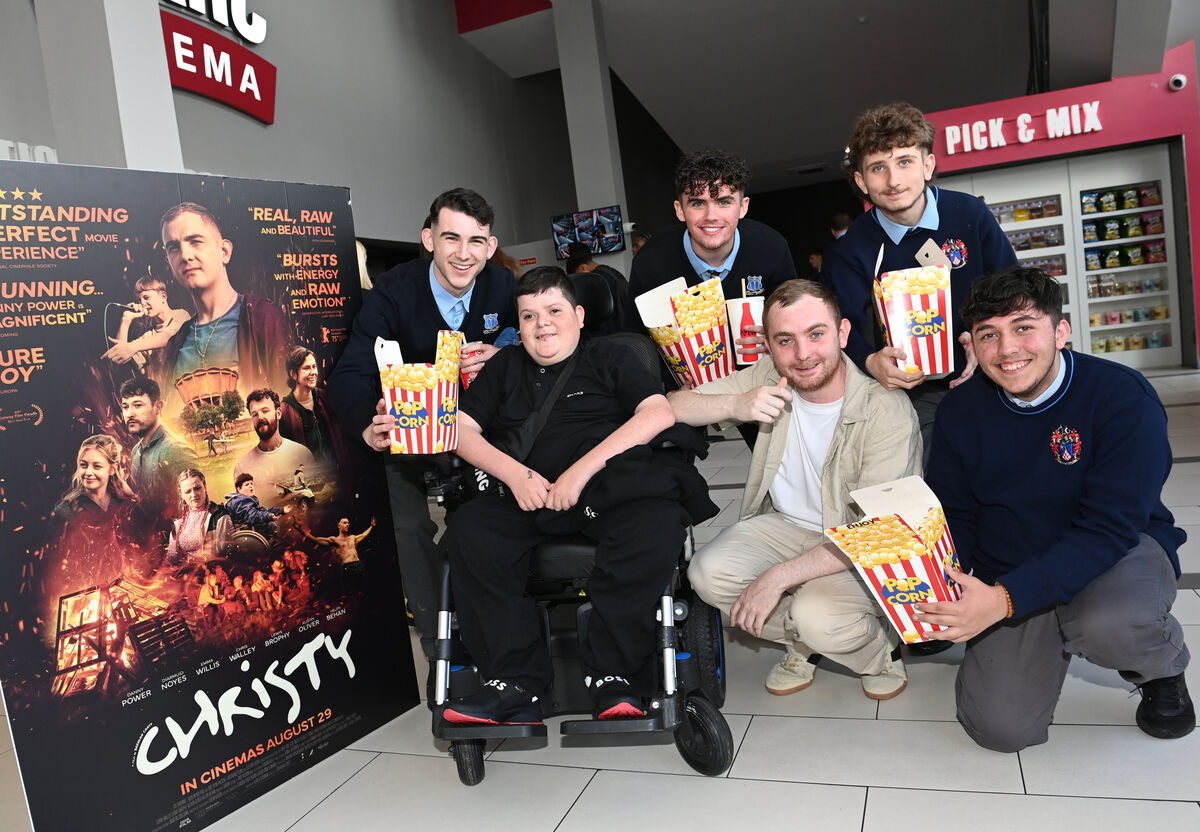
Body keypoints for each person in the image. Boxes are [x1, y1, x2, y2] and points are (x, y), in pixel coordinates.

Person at [916, 267, 1192, 750]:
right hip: (1012, 562)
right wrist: (939, 584)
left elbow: (1109, 528)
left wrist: (1004, 601)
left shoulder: (1121, 396)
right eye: (988, 334)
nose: (1007, 350)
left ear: (1061, 331)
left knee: (1108, 622)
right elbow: (955, 514)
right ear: (972, 344)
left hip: (1116, 555)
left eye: (1024, 327)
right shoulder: (960, 411)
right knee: (1000, 729)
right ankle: (1051, 624)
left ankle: (1160, 668)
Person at [440, 267, 714, 725]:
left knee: (656, 524)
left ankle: (613, 674)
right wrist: (516, 475)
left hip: (604, 491)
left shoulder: (612, 355)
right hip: (525, 496)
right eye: (528, 316)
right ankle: (515, 682)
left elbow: (656, 414)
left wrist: (579, 472)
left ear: (580, 316)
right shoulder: (505, 367)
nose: (542, 324)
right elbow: (461, 430)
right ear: (518, 325)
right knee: (470, 531)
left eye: (554, 310)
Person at [670, 279, 921, 700]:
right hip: (786, 525)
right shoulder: (771, 375)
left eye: (816, 334)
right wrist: (734, 404)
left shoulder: (885, 409)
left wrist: (777, 578)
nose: (802, 354)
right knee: (706, 574)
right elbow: (675, 404)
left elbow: (875, 533)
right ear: (768, 345)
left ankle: (879, 652)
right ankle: (804, 642)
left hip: (858, 541)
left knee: (816, 614)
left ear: (843, 333)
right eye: (785, 340)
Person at [327, 188, 519, 642]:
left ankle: (492, 616)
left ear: (490, 247)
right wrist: (369, 427)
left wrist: (503, 354)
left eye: (476, 241)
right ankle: (441, 641)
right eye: (451, 238)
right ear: (429, 239)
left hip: (481, 429)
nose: (464, 254)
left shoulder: (503, 286)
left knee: (487, 513)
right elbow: (349, 375)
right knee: (407, 524)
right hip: (412, 436)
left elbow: (542, 344)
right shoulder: (394, 292)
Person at [826, 102, 1018, 447]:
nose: (893, 180)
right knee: (932, 471)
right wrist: (870, 361)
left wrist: (985, 338)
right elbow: (841, 327)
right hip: (906, 396)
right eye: (878, 168)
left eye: (905, 162)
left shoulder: (969, 214)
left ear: (927, 165)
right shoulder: (850, 250)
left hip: (989, 376)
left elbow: (1012, 290)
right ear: (861, 181)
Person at [625, 148, 796, 363]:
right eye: (698, 203)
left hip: (760, 372)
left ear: (743, 207)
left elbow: (795, 320)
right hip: (685, 381)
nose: (711, 216)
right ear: (680, 210)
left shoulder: (771, 249)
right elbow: (635, 343)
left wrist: (777, 339)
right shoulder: (650, 261)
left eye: (724, 202)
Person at [159, 202, 290, 395]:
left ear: (224, 251)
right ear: (168, 262)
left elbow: (289, 400)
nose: (185, 256)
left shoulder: (260, 317)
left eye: (195, 241)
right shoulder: (176, 343)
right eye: (173, 248)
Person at [51, 434, 142, 590]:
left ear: (112, 469)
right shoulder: (65, 512)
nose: (88, 472)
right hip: (81, 595)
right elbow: (54, 566)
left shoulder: (125, 506)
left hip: (123, 591)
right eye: (83, 465)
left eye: (97, 466)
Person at [120, 377, 199, 524]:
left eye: (138, 405)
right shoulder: (136, 451)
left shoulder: (176, 450)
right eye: (125, 407)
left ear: (158, 407)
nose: (129, 413)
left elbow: (199, 510)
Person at [233, 389, 316, 507]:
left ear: (278, 413)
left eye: (265, 411)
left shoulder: (302, 453)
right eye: (254, 414)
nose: (260, 417)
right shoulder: (242, 467)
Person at [101, 275, 193, 374]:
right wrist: (126, 319)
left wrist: (131, 347)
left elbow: (169, 337)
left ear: (163, 297)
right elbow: (120, 358)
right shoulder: (148, 335)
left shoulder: (181, 315)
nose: (142, 303)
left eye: (146, 298)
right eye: (139, 300)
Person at [278, 346, 348, 464]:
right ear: (293, 374)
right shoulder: (284, 412)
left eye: (314, 367)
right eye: (306, 368)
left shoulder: (327, 398)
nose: (313, 372)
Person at [165, 468, 232, 570]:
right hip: (185, 576)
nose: (193, 495)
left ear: (205, 487)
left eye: (197, 488)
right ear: (181, 495)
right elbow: (172, 558)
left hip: (212, 575)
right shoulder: (177, 521)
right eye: (187, 491)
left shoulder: (220, 515)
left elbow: (227, 555)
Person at [564, 241, 629, 335]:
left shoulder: (595, 282)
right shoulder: (612, 272)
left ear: (583, 268)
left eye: (578, 276)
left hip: (608, 334)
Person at [304, 517, 376, 580]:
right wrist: (301, 530)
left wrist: (371, 526)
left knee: (363, 587)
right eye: (345, 523)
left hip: (359, 565)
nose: (347, 524)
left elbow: (363, 535)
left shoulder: (352, 537)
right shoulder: (334, 540)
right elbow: (315, 540)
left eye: (348, 523)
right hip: (348, 567)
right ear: (339, 526)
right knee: (352, 589)